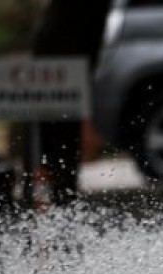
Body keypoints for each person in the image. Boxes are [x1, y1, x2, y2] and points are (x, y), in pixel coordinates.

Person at [30, 0, 114, 205]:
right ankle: (55, 191)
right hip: (61, 67)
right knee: (55, 137)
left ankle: (60, 193)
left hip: (68, 67)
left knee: (61, 139)